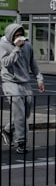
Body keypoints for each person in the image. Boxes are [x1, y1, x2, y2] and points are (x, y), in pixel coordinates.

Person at [0, 23, 45, 154]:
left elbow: (33, 65)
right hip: (9, 82)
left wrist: (39, 79)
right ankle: (21, 142)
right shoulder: (3, 45)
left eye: (21, 35)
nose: (19, 38)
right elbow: (6, 63)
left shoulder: (28, 46)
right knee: (19, 112)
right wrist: (16, 49)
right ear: (10, 35)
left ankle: (7, 129)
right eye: (16, 35)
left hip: (25, 83)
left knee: (26, 113)